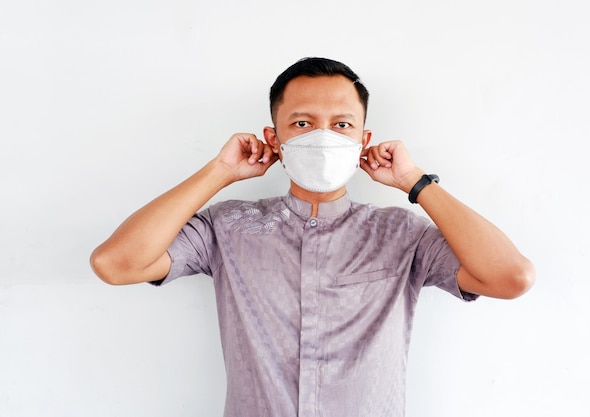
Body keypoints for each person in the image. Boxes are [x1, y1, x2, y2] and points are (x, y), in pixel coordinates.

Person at [90, 57, 535, 417]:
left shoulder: (402, 235)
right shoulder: (225, 228)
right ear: (274, 137)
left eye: (341, 125)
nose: (323, 136)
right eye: (302, 124)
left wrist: (416, 182)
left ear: (363, 139)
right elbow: (116, 264)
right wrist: (220, 172)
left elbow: (510, 277)